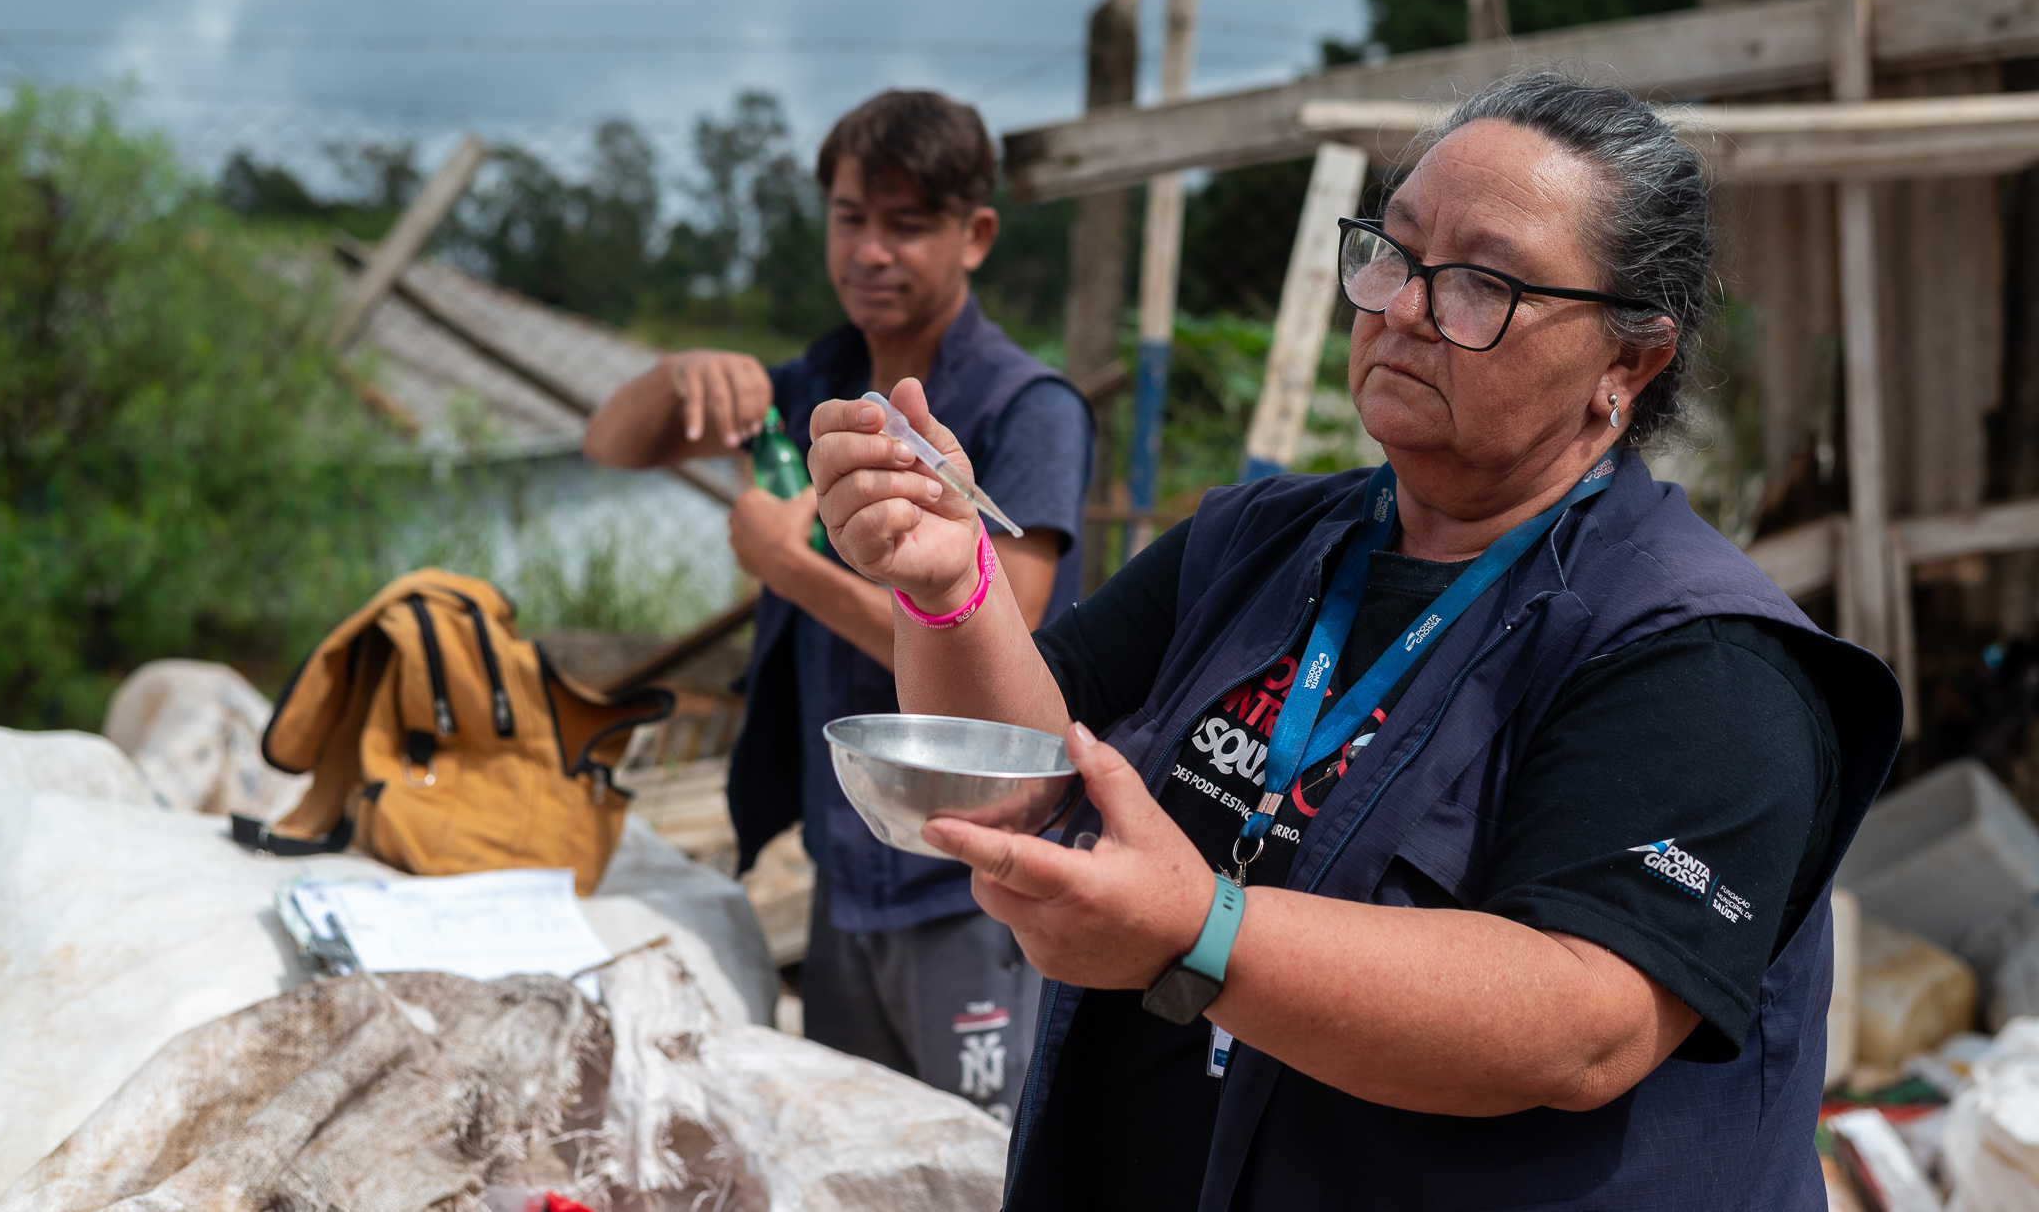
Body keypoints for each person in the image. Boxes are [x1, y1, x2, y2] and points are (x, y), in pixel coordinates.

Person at [806, 73, 1903, 1208]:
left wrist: (1199, 930)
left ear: (1627, 362)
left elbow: (1584, 1018)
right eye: (1393, 251)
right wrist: (947, 583)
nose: (1405, 308)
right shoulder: (1257, 542)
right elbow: (1017, 776)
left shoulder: (1701, 655)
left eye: (1480, 282)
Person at [584, 89, 1093, 1120]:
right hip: (847, 859)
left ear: (974, 234)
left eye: (905, 224)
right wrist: (682, 374)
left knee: (976, 1153)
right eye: (850, 217)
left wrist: (789, 567)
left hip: (974, 877)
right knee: (850, 1144)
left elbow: (1020, 635)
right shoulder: (814, 385)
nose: (869, 250)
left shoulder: (1025, 407)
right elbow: (612, 442)